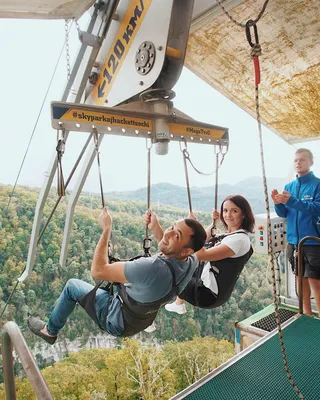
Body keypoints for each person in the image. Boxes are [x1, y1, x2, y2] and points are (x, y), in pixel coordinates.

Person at [28, 207, 206, 344]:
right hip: (139, 318)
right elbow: (172, 251)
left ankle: (49, 331)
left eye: (176, 235)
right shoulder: (192, 260)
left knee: (72, 286)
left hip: (116, 320)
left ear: (186, 250)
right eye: (171, 227)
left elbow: (98, 271)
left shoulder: (151, 269)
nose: (167, 233)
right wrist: (156, 227)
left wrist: (106, 229)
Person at [146, 195, 255, 315]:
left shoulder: (238, 240)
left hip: (205, 293)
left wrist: (189, 229)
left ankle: (146, 311)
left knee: (168, 270)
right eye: (225, 210)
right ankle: (177, 304)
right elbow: (204, 240)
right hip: (211, 288)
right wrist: (207, 225)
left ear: (243, 214)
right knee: (178, 258)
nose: (228, 215)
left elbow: (201, 254)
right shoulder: (232, 235)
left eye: (234, 211)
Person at [271, 148, 320, 316]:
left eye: (302, 160)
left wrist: (291, 200)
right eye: (296, 160)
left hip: (312, 241)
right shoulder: (289, 186)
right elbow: (284, 213)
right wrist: (278, 203)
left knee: (316, 281)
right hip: (293, 242)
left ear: (311, 162)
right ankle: (307, 314)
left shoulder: (317, 184)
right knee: (300, 279)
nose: (298, 163)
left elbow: (317, 208)